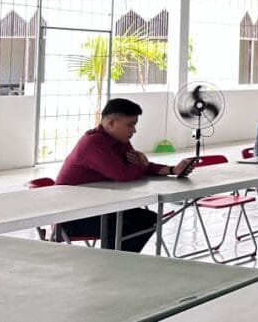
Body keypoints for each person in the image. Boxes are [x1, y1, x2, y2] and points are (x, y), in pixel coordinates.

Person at [55, 98, 195, 252]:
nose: (134, 131)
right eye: (130, 125)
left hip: (99, 207)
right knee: (119, 229)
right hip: (69, 217)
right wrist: (140, 165)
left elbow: (137, 166)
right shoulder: (93, 142)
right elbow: (123, 174)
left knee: (148, 220)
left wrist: (172, 170)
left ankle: (123, 261)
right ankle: (112, 264)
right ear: (111, 123)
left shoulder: (120, 140)